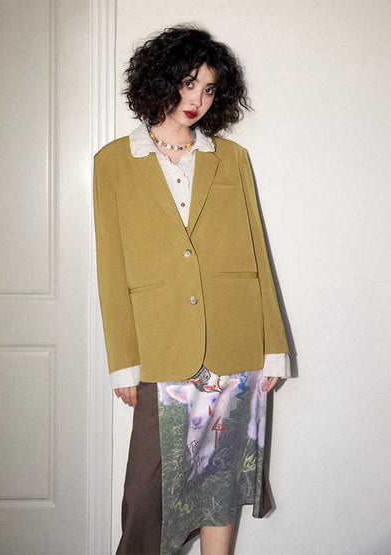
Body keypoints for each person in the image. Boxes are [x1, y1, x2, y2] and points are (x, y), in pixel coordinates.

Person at [93, 23, 291, 555]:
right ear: (160, 80)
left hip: (235, 344)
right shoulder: (113, 162)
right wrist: (124, 362)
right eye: (187, 83)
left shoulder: (232, 158)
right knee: (146, 497)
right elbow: (111, 267)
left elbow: (257, 253)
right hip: (161, 347)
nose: (197, 100)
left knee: (220, 482)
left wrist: (273, 346)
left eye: (208, 89)